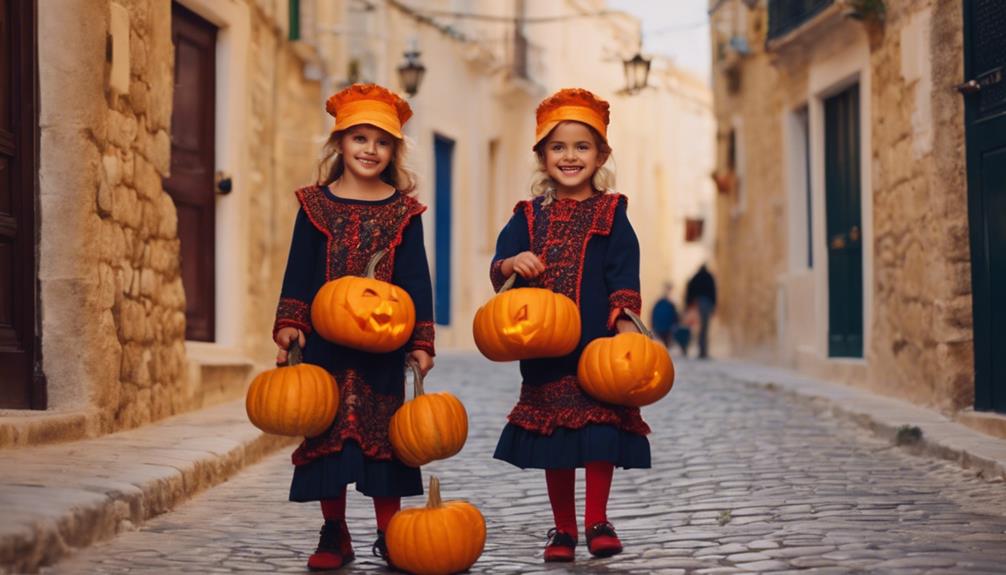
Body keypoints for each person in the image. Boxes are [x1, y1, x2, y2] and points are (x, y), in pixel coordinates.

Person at [271, 83, 435, 572]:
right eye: (359, 138)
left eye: (382, 142)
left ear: (393, 151)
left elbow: (415, 278)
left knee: (386, 440)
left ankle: (391, 534)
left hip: (384, 348)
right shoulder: (315, 205)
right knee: (328, 435)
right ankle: (334, 531)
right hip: (324, 343)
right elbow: (299, 268)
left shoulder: (404, 211)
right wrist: (289, 324)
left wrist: (422, 340)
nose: (370, 150)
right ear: (339, 142)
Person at [489, 88, 651, 563]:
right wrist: (511, 261)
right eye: (558, 147)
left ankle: (597, 519)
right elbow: (501, 262)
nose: (570, 156)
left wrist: (624, 321)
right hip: (543, 350)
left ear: (601, 154)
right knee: (556, 442)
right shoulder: (528, 215)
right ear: (542, 156)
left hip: (597, 346)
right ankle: (562, 528)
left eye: (582, 146)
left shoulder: (611, 213)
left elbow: (624, 270)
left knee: (599, 434)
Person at [685, 263, 717, 359]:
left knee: (698, 328)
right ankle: (703, 351)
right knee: (704, 328)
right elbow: (713, 292)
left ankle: (701, 350)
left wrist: (688, 304)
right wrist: (713, 306)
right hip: (706, 304)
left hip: (697, 304)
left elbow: (690, 290)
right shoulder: (709, 277)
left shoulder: (696, 277)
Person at [651, 282, 682, 351]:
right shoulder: (666, 303)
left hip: (663, 327)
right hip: (664, 327)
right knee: (664, 344)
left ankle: (665, 353)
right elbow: (675, 316)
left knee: (664, 344)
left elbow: (675, 315)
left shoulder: (662, 303)